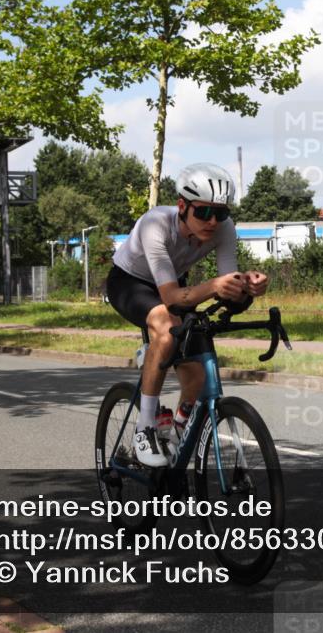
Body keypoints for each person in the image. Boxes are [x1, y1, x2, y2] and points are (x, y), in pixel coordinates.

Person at [106, 162, 269, 467]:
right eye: (204, 212)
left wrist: (247, 287)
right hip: (130, 282)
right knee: (165, 328)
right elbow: (170, 298)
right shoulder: (155, 224)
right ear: (182, 206)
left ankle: (177, 433)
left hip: (174, 282)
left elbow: (229, 292)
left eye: (220, 213)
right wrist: (215, 285)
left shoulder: (224, 229)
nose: (213, 221)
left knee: (196, 371)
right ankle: (145, 427)